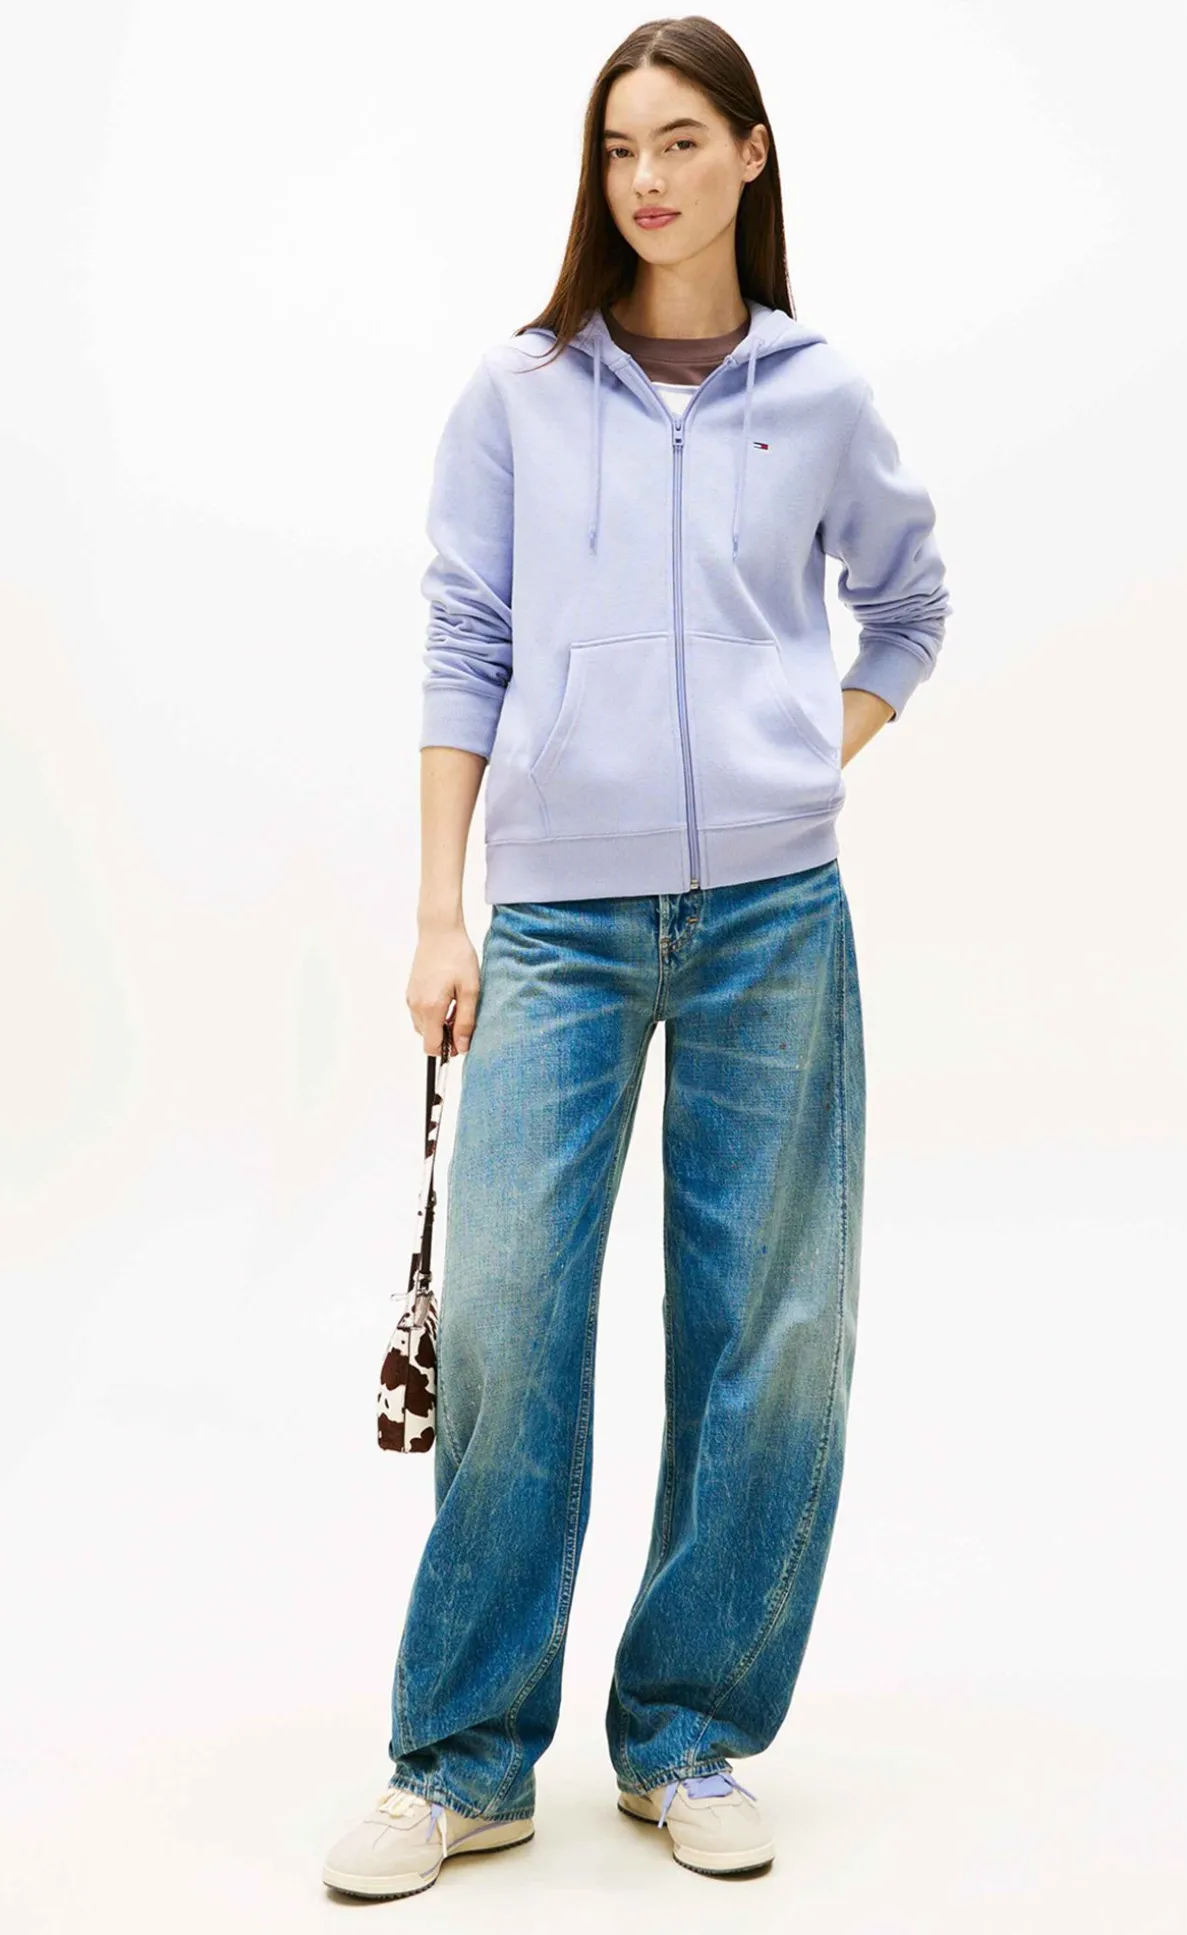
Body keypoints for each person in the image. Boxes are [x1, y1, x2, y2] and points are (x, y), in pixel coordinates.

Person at [322, 14, 950, 1900]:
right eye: (618, 149)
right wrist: (440, 910)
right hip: (558, 925)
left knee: (773, 1331)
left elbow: (907, 605)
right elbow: (463, 639)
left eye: (681, 141)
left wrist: (799, 757)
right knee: (510, 1320)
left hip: (773, 918)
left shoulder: (819, 395)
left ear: (751, 154)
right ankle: (462, 1757)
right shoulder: (520, 392)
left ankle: (684, 1733)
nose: (647, 179)